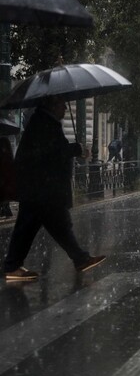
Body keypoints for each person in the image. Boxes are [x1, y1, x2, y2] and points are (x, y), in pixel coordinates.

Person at [3, 96, 106, 281]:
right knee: (55, 225)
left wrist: (74, 149)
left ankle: (12, 266)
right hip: (42, 187)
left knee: (32, 227)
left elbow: (51, 151)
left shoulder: (44, 122)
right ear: (51, 106)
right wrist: (76, 149)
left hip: (39, 187)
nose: (65, 108)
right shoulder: (43, 124)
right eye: (61, 104)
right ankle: (79, 258)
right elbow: (53, 152)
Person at [0, 137, 16, 218]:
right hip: (5, 180)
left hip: (4, 179)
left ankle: (5, 210)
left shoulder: (5, 156)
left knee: (3, 195)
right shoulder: (8, 155)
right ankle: (5, 210)